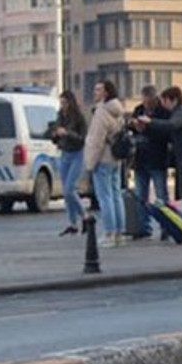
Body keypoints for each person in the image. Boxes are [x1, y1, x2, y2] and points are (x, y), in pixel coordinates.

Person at [135, 86, 182, 240]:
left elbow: (170, 126)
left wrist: (150, 121)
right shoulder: (179, 112)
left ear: (173, 100)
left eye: (165, 100)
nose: (163, 104)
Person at [83, 79, 128, 248]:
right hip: (116, 158)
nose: (95, 92)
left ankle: (109, 232)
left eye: (98, 90)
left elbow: (96, 140)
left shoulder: (102, 112)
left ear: (106, 93)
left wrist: (90, 163)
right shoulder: (118, 110)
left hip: (103, 158)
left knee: (105, 197)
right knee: (116, 195)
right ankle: (119, 232)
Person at [129, 84, 172, 239]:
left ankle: (166, 227)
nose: (146, 104)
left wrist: (147, 126)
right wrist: (134, 125)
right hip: (141, 158)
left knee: (161, 195)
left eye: (149, 102)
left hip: (157, 157)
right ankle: (144, 227)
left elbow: (166, 133)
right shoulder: (138, 109)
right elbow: (131, 126)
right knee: (141, 195)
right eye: (144, 101)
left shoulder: (164, 113)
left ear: (155, 99)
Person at [49, 89, 89, 237]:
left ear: (71, 102)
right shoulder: (60, 115)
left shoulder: (79, 117)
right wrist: (55, 135)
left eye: (65, 102)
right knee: (66, 192)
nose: (63, 105)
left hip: (77, 154)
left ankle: (85, 216)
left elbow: (82, 138)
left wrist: (67, 133)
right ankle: (72, 223)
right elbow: (55, 135)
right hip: (64, 153)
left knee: (69, 189)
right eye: (61, 102)